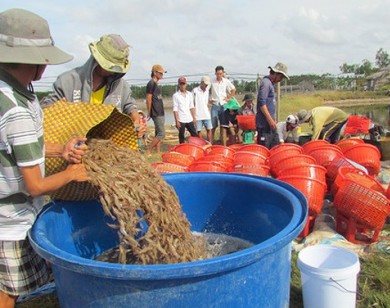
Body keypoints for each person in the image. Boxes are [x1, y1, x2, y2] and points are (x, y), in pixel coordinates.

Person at [0, 8, 90, 307]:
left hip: (14, 209)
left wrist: (60, 150)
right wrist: (72, 174)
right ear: (38, 63)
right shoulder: (16, 111)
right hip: (10, 218)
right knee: (9, 289)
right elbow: (35, 187)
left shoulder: (16, 91)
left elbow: (21, 147)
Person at [41, 34, 143, 130]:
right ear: (97, 59)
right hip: (73, 144)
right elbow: (46, 112)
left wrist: (135, 115)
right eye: (110, 66)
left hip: (107, 145)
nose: (113, 71)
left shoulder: (121, 86)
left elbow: (129, 106)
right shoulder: (68, 82)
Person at [256, 62, 289, 149]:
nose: (280, 80)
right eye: (280, 77)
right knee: (265, 149)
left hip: (270, 124)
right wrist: (270, 119)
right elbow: (262, 103)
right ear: (275, 74)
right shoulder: (266, 83)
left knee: (275, 147)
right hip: (264, 125)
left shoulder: (270, 84)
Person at [210, 66, 236, 144]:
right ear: (215, 73)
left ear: (223, 73)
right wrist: (208, 100)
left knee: (223, 125)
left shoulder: (226, 81)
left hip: (224, 105)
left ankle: (222, 141)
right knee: (213, 124)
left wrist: (229, 98)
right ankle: (211, 141)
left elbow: (233, 89)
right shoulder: (212, 81)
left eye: (221, 74)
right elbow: (205, 90)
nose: (219, 75)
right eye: (218, 74)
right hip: (215, 105)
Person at [146, 64, 166, 154]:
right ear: (154, 73)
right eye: (160, 73)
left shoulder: (156, 84)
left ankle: (158, 151)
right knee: (162, 133)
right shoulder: (151, 84)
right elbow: (148, 99)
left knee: (158, 132)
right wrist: (149, 112)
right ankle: (149, 149)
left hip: (160, 111)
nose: (162, 75)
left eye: (162, 73)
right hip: (156, 112)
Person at [172, 77, 198, 144]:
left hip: (189, 118)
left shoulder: (189, 94)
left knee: (194, 134)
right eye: (181, 84)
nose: (182, 86)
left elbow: (192, 107)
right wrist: (177, 121)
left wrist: (194, 118)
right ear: (179, 85)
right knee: (181, 135)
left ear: (186, 84)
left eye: (183, 84)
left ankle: (195, 146)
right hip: (181, 119)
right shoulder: (176, 95)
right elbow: (175, 109)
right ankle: (182, 148)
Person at [193, 76, 212, 141]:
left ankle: (210, 144)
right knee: (199, 131)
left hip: (206, 114)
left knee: (209, 130)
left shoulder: (207, 90)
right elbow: (192, 103)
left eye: (207, 84)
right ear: (201, 82)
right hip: (198, 115)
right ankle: (201, 144)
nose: (206, 85)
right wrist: (193, 116)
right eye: (205, 84)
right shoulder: (195, 91)